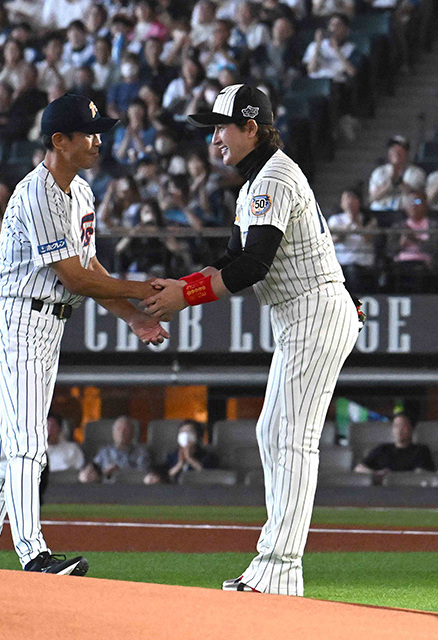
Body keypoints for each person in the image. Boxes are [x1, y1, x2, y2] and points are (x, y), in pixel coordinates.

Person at [142, 84, 360, 596]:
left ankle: (281, 566)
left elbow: (253, 265)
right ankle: (279, 566)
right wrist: (181, 286)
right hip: (301, 312)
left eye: (221, 127)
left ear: (251, 128)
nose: (214, 138)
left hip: (312, 309)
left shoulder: (273, 176)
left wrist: (186, 298)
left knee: (291, 438)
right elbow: (229, 259)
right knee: (273, 433)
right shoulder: (257, 180)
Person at [0, 93, 169, 577]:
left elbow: (89, 266)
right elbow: (75, 278)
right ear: (59, 140)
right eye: (89, 132)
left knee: (6, 447)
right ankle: (32, 553)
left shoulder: (80, 191)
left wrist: (133, 316)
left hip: (47, 324)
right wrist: (142, 289)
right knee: (29, 441)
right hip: (20, 319)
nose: (99, 140)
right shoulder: (36, 192)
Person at [354, 413, 435, 484]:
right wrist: (375, 473)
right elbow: (359, 468)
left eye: (403, 426)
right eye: (396, 426)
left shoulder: (421, 450)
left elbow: (426, 474)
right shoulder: (382, 449)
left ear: (412, 429)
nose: (399, 430)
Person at [327, 189, 377, 292]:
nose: (349, 202)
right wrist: (350, 222)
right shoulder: (335, 219)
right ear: (341, 203)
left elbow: (368, 238)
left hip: (364, 262)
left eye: (352, 198)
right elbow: (336, 239)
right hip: (343, 262)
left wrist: (358, 223)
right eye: (346, 199)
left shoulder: (368, 219)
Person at [78, 416, 151, 483]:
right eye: (118, 428)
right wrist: (101, 473)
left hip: (131, 491)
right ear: (113, 433)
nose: (121, 433)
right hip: (104, 491)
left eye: (125, 430)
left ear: (132, 434)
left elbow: (143, 477)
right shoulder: (104, 452)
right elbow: (94, 471)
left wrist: (121, 472)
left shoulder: (141, 453)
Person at [367, 135, 426, 211]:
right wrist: (388, 185)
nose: (396, 153)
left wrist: (399, 183)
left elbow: (419, 200)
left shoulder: (416, 173)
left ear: (406, 153)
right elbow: (372, 198)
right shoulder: (379, 172)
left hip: (405, 211)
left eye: (400, 150)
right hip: (381, 210)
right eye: (393, 149)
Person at [151, 420, 218, 484]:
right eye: (182, 431)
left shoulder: (207, 456)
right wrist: (180, 464)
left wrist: (190, 459)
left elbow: (209, 476)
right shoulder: (172, 456)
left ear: (197, 436)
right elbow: (164, 477)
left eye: (189, 431)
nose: (185, 434)